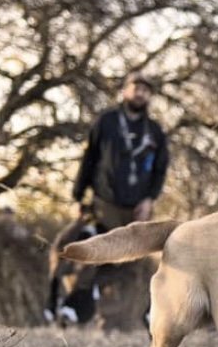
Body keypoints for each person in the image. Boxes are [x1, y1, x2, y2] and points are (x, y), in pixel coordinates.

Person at [72, 70, 170, 231]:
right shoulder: (106, 121)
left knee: (134, 255)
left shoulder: (155, 131)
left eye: (145, 91)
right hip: (105, 203)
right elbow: (89, 157)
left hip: (137, 210)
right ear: (124, 91)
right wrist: (77, 197)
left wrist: (149, 200)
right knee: (100, 250)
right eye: (136, 88)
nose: (140, 93)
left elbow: (160, 169)